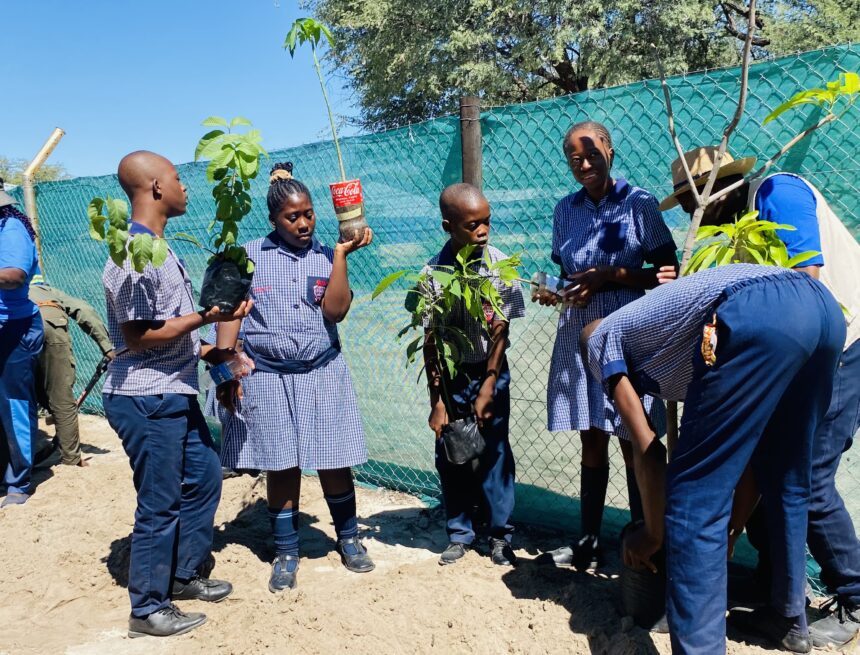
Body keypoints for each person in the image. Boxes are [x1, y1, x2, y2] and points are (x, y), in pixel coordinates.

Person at [584, 264, 844, 654]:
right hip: (820, 309)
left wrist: (652, 535)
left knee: (693, 499)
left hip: (754, 312)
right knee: (786, 471)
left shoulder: (600, 341)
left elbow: (650, 450)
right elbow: (751, 458)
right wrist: (731, 529)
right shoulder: (651, 327)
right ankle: (787, 617)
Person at [661, 146, 860, 649]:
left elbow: (806, 283)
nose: (693, 212)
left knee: (806, 472)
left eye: (696, 200)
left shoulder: (778, 192)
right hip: (800, 348)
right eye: (687, 203)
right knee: (774, 468)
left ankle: (856, 597)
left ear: (722, 188)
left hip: (844, 345)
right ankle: (783, 606)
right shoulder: (730, 236)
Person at [101, 151, 252, 638]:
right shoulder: (133, 252)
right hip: (145, 397)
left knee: (205, 477)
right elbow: (138, 335)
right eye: (178, 178)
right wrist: (208, 317)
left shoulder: (163, 250)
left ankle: (183, 575)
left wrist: (214, 354)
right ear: (155, 188)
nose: (186, 186)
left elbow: (174, 330)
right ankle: (147, 607)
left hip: (174, 390)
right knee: (160, 501)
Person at [214, 162, 374, 593]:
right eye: (291, 217)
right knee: (281, 462)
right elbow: (227, 316)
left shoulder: (325, 255)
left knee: (332, 458)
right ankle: (286, 549)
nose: (303, 224)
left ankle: (349, 538)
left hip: (321, 371)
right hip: (267, 376)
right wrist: (225, 373)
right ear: (273, 220)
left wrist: (340, 255)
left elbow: (335, 311)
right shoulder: (248, 257)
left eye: (308, 215)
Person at [539, 121, 678, 569]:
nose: (583, 164)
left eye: (591, 155)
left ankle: (645, 535)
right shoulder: (565, 210)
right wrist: (555, 289)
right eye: (574, 158)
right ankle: (588, 542)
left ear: (610, 152)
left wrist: (611, 276)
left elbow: (667, 273)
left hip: (627, 330)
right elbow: (567, 273)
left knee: (632, 436)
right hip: (579, 330)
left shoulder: (639, 205)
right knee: (592, 436)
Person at [423, 182, 525, 567]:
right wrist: (437, 401)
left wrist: (488, 387)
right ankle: (460, 533)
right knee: (452, 453)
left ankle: (500, 535)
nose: (482, 231)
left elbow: (501, 331)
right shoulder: (433, 274)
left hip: (490, 372)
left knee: (495, 451)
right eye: (472, 225)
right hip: (451, 379)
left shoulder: (500, 266)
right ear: (448, 226)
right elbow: (430, 342)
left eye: (486, 222)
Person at [29, 280, 114, 467]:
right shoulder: (48, 291)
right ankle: (72, 459)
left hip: (15, 325)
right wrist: (107, 347)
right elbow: (84, 310)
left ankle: (20, 457)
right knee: (61, 396)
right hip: (51, 322)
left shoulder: (10, 285)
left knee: (18, 395)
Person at [0, 186, 44, 507]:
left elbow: (14, 275)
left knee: (14, 404)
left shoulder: (11, 228)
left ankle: (19, 481)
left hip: (14, 328)